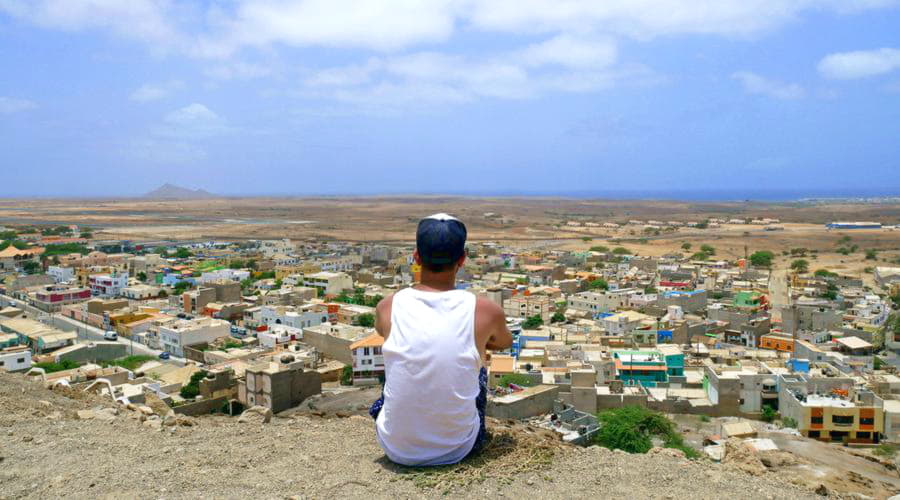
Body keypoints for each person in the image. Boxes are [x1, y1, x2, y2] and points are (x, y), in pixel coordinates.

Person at [369, 213, 513, 466]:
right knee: (476, 367)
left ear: (416, 257)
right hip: (459, 448)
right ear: (462, 259)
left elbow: (383, 332)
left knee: (397, 362)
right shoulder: (486, 310)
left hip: (395, 448)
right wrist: (475, 341)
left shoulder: (388, 306)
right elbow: (503, 342)